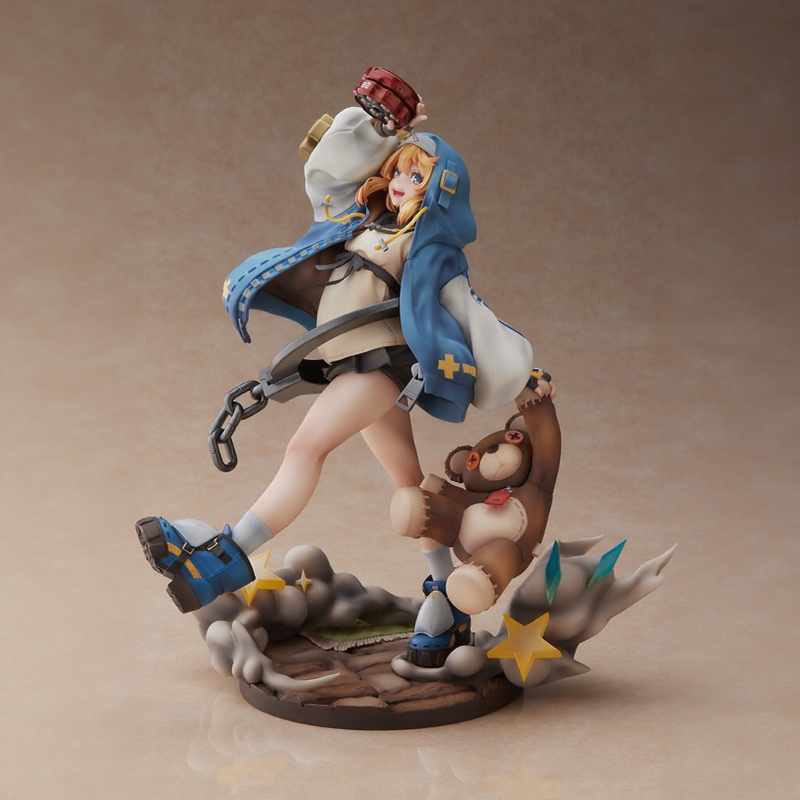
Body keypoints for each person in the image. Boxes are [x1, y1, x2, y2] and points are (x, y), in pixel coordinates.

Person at [137, 99, 553, 661]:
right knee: (412, 487)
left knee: (304, 448)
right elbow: (330, 168)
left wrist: (520, 369)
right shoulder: (363, 221)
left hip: (381, 366)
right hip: (350, 361)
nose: (402, 183)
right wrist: (384, 127)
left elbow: (472, 313)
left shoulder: (430, 248)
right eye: (399, 170)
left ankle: (224, 556)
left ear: (439, 192)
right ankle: (444, 601)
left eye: (418, 177)